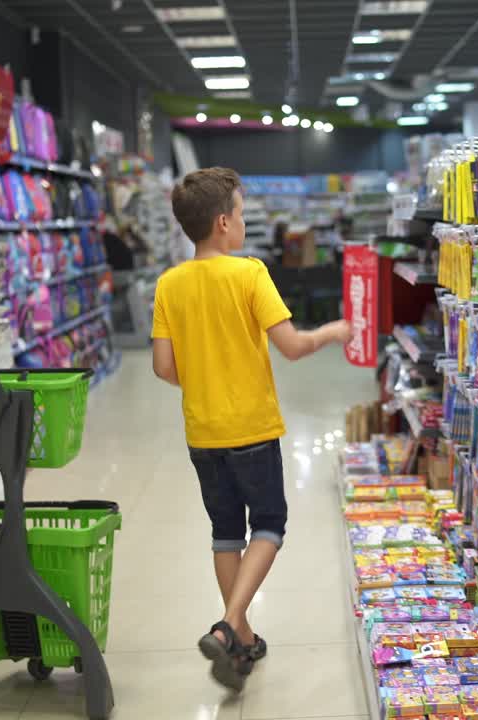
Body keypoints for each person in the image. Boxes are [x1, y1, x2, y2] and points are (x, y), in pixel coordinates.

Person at [150, 167, 351, 691]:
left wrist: (204, 385)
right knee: (268, 525)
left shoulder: (169, 284)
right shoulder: (249, 274)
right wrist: (331, 332)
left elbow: (163, 368)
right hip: (252, 429)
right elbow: (291, 346)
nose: (242, 221)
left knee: (224, 533)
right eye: (240, 213)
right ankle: (226, 624)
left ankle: (242, 637)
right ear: (223, 222)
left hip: (202, 432)